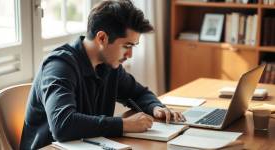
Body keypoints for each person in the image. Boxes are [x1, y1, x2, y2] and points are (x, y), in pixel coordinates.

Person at [20, 0, 185, 149]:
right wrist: (123, 124)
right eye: (127, 45)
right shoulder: (59, 66)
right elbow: (63, 125)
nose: (130, 55)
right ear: (102, 38)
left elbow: (138, 93)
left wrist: (156, 107)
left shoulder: (109, 65)